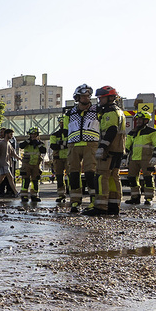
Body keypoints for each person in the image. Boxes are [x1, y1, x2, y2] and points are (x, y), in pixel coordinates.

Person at [89, 85, 126, 217]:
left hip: (109, 150)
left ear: (110, 98)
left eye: (102, 98)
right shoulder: (119, 111)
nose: (100, 101)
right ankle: (113, 206)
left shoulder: (110, 112)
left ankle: (101, 206)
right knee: (113, 177)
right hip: (118, 149)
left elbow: (111, 131)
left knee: (101, 177)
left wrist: (102, 147)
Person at [64, 84, 100, 214]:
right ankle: (75, 201)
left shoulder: (97, 110)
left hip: (91, 144)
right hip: (73, 145)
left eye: (87, 96)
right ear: (77, 97)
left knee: (91, 172)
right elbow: (65, 130)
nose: (86, 98)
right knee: (73, 174)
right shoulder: (70, 112)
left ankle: (93, 199)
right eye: (83, 96)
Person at [124, 105, 156, 205]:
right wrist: (124, 158)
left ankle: (149, 198)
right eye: (137, 119)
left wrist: (155, 157)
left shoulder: (152, 132)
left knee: (148, 178)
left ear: (146, 120)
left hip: (147, 159)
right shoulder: (132, 132)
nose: (138, 121)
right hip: (133, 159)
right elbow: (127, 146)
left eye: (141, 119)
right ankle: (135, 197)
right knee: (132, 178)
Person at [19, 128, 47, 203]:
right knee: (26, 180)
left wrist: (38, 143)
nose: (33, 136)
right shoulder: (26, 143)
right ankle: (24, 195)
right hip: (27, 164)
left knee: (35, 180)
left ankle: (34, 195)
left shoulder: (40, 143)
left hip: (36, 164)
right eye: (32, 134)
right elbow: (21, 146)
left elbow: (44, 151)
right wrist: (29, 141)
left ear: (37, 135)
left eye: (35, 134)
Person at [48, 115, 70, 204]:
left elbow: (71, 143)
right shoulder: (54, 134)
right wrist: (64, 144)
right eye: (60, 123)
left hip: (68, 157)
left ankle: (72, 194)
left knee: (71, 177)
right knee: (59, 178)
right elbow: (53, 146)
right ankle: (61, 195)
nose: (62, 124)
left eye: (63, 123)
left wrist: (60, 144)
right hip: (58, 158)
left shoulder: (70, 133)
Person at [0, 129, 18, 197]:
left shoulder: (9, 143)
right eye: (11, 134)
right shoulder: (1, 143)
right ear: (7, 134)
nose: (12, 136)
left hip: (7, 163)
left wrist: (20, 159)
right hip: (3, 164)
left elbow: (13, 153)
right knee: (10, 177)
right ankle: (16, 192)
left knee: (0, 179)